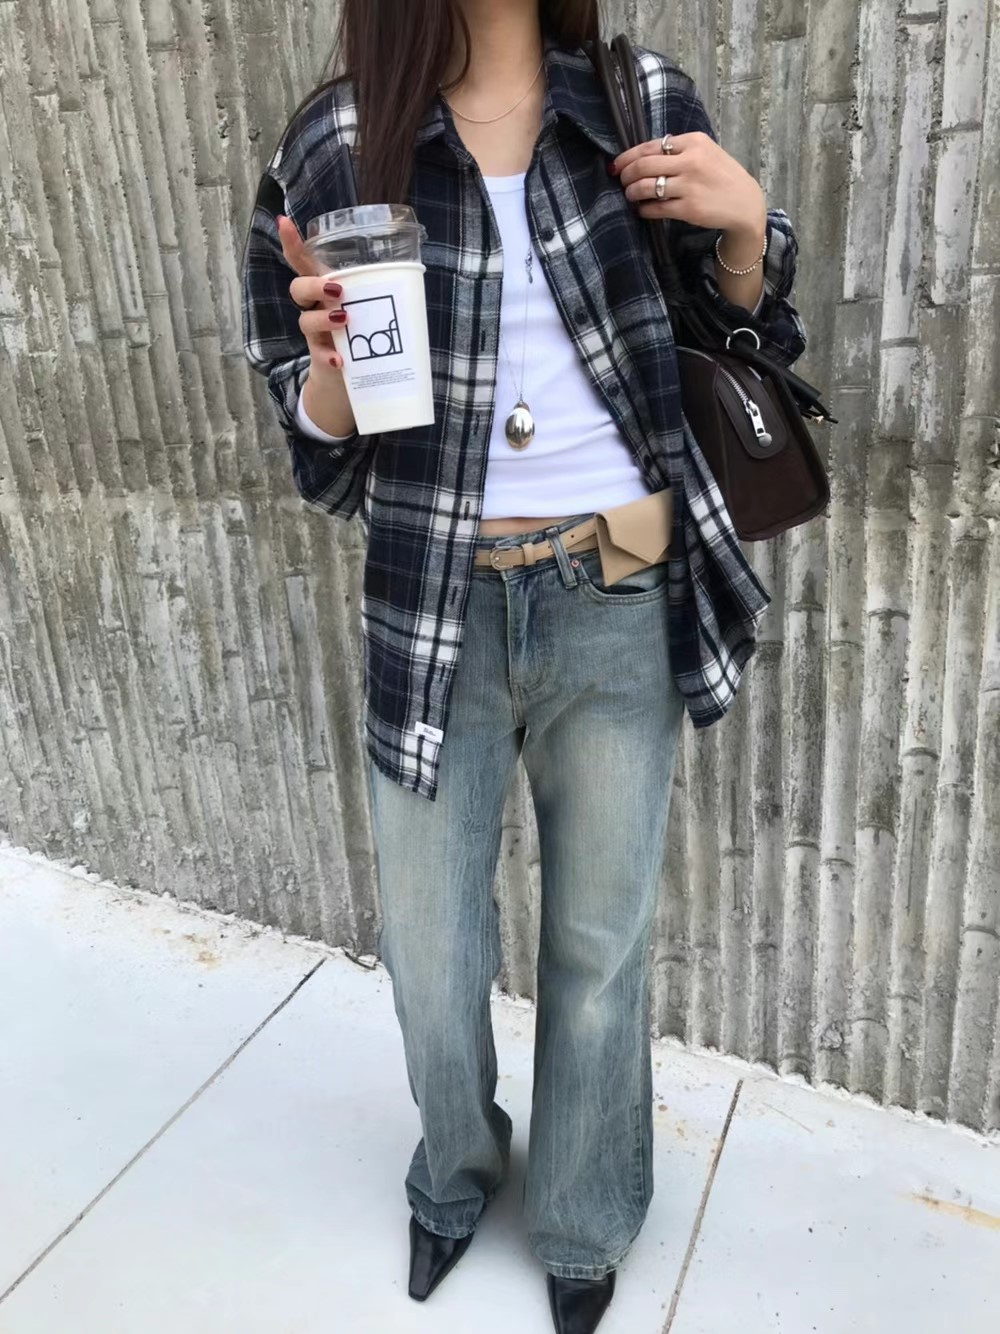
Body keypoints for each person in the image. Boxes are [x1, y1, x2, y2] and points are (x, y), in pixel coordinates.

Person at [241, 2, 806, 1330]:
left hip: (618, 594)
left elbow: (746, 345)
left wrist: (744, 232)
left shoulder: (633, 98)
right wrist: (329, 375)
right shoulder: (339, 142)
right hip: (436, 604)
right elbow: (315, 441)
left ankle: (584, 1216)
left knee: (598, 948)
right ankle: (452, 1174)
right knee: (430, 954)